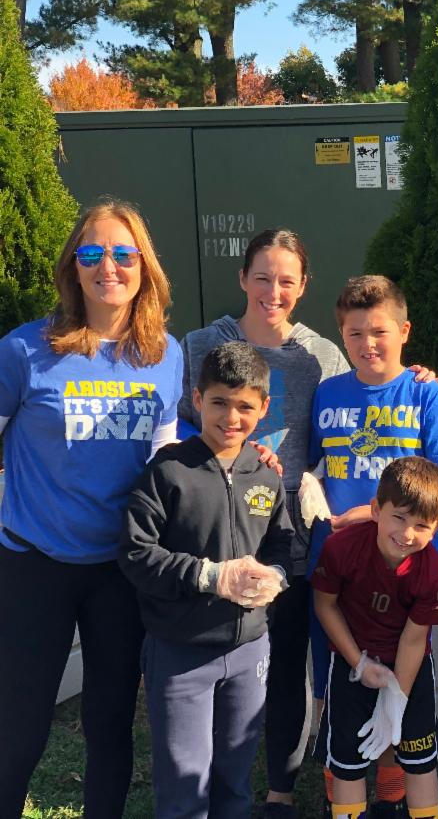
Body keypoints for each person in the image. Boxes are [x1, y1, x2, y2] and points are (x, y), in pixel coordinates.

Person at [0, 200, 183, 818]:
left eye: (123, 253)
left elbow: (164, 464)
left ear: (144, 266)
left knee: (109, 724)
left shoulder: (165, 354)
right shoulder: (24, 350)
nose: (109, 266)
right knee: (19, 727)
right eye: (92, 253)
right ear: (72, 268)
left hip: (120, 568)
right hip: (34, 563)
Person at [177, 229, 348, 817]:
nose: (273, 291)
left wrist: (416, 378)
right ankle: (203, 787)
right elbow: (176, 429)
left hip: (288, 543)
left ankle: (279, 793)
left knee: (287, 670)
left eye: (286, 281)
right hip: (213, 541)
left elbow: (356, 414)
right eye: (262, 277)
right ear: (242, 279)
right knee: (209, 670)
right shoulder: (202, 345)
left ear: (303, 287)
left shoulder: (322, 356)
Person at [308, 275, 438, 815]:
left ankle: (391, 787)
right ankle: (342, 780)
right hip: (340, 568)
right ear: (342, 335)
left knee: (402, 674)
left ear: (404, 332)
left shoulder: (427, 394)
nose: (367, 344)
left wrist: (378, 515)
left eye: (379, 331)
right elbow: (311, 464)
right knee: (339, 676)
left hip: (405, 569)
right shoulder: (328, 393)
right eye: (354, 333)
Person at [120, 342, 293, 819]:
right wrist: (209, 576)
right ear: (197, 399)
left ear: (264, 408)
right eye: (219, 402)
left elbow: (282, 544)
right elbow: (136, 553)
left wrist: (276, 576)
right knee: (185, 784)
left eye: (245, 406)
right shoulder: (168, 471)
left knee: (235, 781)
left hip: (249, 651)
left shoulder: (266, 475)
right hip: (180, 651)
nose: (231, 417)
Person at [311, 456, 438, 819]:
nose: (407, 534)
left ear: (437, 528)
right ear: (376, 509)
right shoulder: (341, 548)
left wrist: (396, 696)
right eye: (399, 518)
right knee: (348, 760)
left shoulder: (433, 570)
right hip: (350, 659)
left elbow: (413, 640)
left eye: (421, 525)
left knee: (420, 761)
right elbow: (325, 605)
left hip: (410, 668)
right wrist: (358, 663)